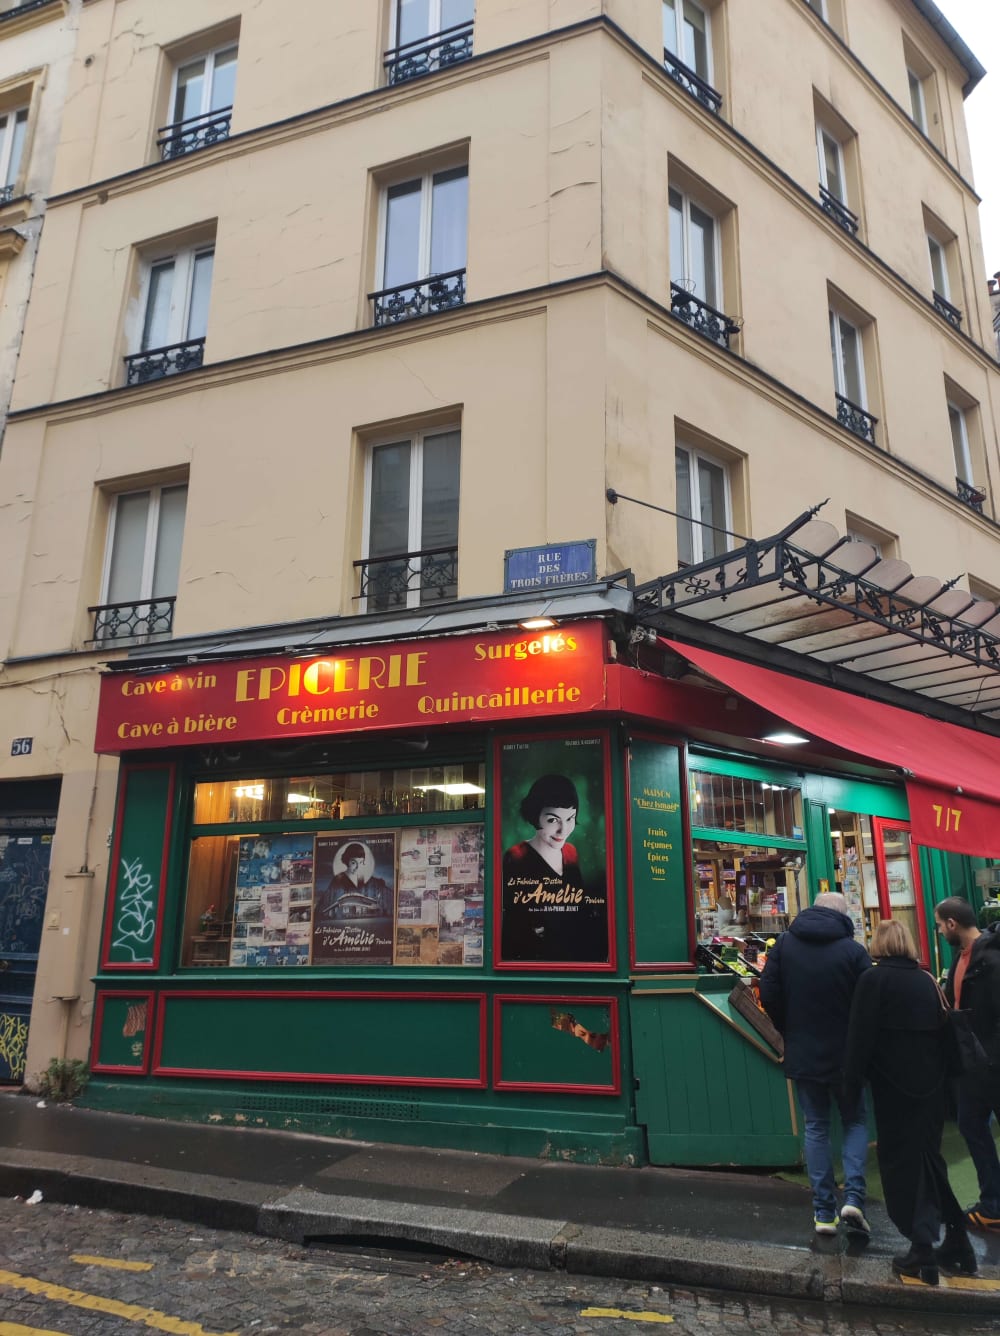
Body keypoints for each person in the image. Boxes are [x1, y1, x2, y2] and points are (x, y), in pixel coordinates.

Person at [843, 919, 976, 1285]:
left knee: (903, 1166)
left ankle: (922, 1248)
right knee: (930, 1162)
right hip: (931, 1088)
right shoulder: (926, 981)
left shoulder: (872, 981)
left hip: (893, 1089)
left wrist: (850, 1086)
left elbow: (859, 1040)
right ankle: (958, 1238)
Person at [759, 890, 871, 1237]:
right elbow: (870, 1003)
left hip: (804, 1050)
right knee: (854, 1121)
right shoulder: (854, 952)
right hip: (847, 1054)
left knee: (816, 1126)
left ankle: (824, 1212)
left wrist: (787, 1028)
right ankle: (853, 1197)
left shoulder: (784, 947)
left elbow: (768, 992)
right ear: (842, 915)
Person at [935, 896, 1000, 1234]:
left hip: (991, 1062)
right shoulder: (963, 957)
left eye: (938, 924)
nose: (938, 931)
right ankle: (994, 1203)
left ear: (951, 924)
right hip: (973, 1065)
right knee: (971, 1125)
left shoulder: (989, 957)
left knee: (973, 1125)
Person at [500, 773, 607, 962]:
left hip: (574, 957)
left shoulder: (571, 853)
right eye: (552, 820)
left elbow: (580, 907)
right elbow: (512, 922)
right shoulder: (516, 857)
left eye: (570, 818)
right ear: (535, 815)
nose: (563, 830)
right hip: (533, 962)